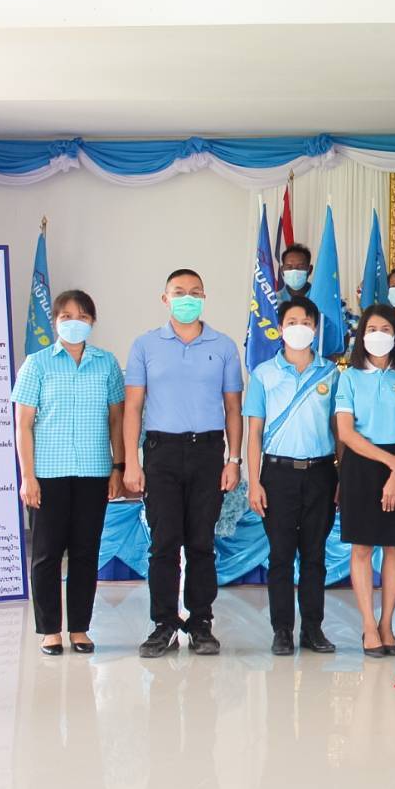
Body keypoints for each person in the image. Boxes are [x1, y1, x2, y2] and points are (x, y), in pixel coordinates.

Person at [123, 268, 244, 658]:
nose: (186, 299)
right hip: (161, 452)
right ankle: (164, 623)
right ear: (165, 299)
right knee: (164, 543)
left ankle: (201, 622)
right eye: (179, 292)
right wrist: (131, 462)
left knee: (201, 542)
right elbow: (133, 407)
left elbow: (233, 407)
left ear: (204, 298)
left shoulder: (223, 346)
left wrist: (234, 459)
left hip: (208, 452)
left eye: (194, 292)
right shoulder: (145, 345)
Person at [12, 289, 125, 655]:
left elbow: (117, 419)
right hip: (48, 474)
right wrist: (27, 476)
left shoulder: (106, 364)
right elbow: (23, 425)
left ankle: (79, 628)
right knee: (46, 554)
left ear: (92, 322)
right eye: (66, 317)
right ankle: (49, 630)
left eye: (82, 317)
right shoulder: (37, 364)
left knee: (85, 553)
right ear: (55, 321)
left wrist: (118, 467)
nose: (74, 323)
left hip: (94, 472)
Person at [245, 296, 340, 655]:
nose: (299, 328)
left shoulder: (331, 373)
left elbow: (339, 429)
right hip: (277, 474)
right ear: (280, 328)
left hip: (321, 474)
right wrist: (255, 482)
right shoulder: (263, 374)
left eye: (306, 323)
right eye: (292, 322)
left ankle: (313, 629)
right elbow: (254, 432)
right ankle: (282, 629)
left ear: (315, 329)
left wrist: (343, 477)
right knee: (281, 556)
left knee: (315, 555)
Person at [335, 305, 395, 658]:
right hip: (362, 465)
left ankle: (387, 624)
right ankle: (369, 625)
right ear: (361, 335)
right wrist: (389, 463)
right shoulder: (349, 377)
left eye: (386, 329)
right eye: (372, 329)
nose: (379, 335)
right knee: (362, 548)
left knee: (394, 547)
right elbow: (346, 432)